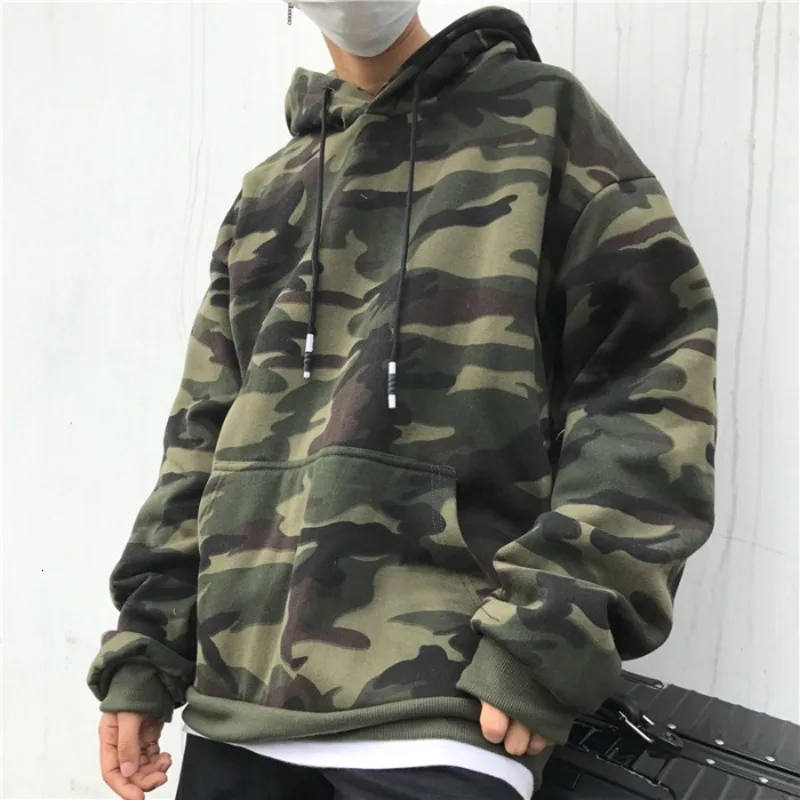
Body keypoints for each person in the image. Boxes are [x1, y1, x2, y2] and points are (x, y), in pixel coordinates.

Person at [89, 3, 718, 799]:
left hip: (442, 715)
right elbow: (202, 433)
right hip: (236, 714)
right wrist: (148, 646)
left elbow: (651, 383)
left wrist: (550, 633)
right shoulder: (269, 193)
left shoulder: (543, 123)